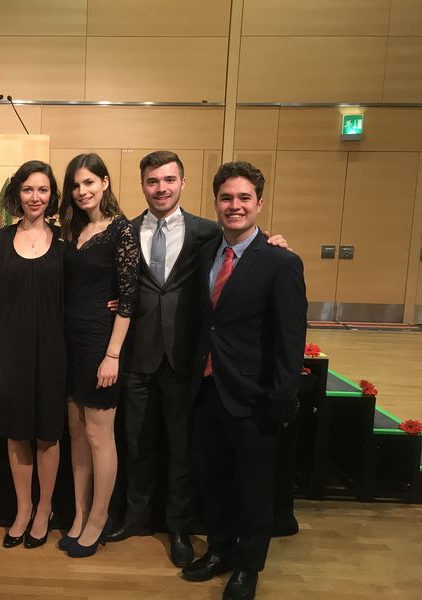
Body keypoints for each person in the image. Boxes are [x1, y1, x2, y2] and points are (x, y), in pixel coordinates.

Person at [110, 151, 287, 568]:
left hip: (188, 361)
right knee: (136, 445)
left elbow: (247, 255)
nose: (161, 188)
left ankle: (179, 529)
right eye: (153, 181)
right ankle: (136, 518)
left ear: (183, 183)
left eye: (169, 180)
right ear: (142, 185)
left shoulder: (209, 233)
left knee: (182, 451)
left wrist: (275, 243)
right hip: (137, 356)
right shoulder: (125, 231)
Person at [182, 161, 306, 600]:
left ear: (259, 203)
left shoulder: (281, 262)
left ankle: (248, 567)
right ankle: (219, 550)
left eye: (243, 198)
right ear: (216, 202)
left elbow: (291, 339)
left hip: (254, 396)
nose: (234, 206)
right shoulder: (206, 254)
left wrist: (282, 398)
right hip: (208, 388)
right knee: (213, 480)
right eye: (226, 198)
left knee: (254, 487)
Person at [58, 153, 140, 558]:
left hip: (100, 345)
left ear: (105, 182)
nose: (82, 191)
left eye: (89, 182)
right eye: (75, 185)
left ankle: (98, 518)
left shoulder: (122, 230)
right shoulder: (72, 229)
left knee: (98, 436)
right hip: (69, 344)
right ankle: (78, 513)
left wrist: (113, 354)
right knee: (76, 434)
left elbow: (128, 299)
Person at [0, 160, 66, 549]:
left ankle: (45, 509)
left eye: (43, 189)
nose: (36, 197)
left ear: (52, 195)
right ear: (17, 193)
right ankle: (22, 508)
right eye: (28, 189)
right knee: (18, 433)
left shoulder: (67, 241)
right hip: (11, 349)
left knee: (48, 435)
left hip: (54, 349)